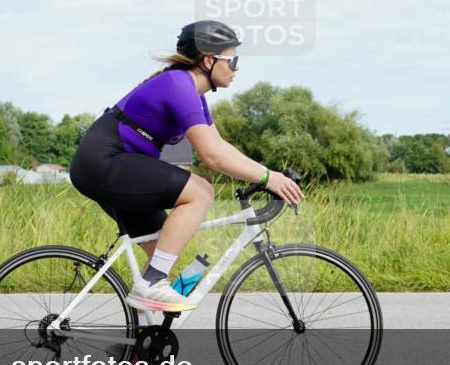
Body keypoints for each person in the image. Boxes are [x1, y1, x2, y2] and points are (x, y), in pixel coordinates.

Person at [69, 20, 304, 313]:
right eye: (232, 61)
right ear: (208, 60)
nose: (237, 68)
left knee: (163, 249)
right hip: (104, 161)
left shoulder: (195, 96)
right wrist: (269, 178)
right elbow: (212, 157)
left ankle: (143, 334)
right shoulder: (177, 85)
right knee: (201, 192)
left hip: (115, 164)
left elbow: (220, 146)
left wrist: (268, 175)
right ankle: (151, 285)